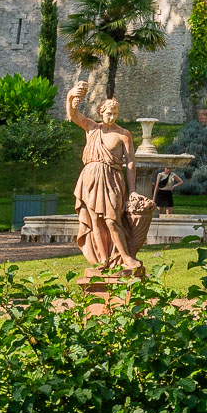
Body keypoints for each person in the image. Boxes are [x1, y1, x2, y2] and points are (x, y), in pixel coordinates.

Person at [66, 81, 146, 271]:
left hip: (112, 179)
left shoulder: (123, 134)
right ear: (101, 112)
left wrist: (132, 190)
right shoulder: (92, 128)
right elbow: (72, 114)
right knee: (95, 220)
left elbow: (131, 163)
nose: (111, 117)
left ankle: (126, 257)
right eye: (108, 113)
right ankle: (103, 260)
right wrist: (71, 95)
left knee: (111, 219)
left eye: (115, 114)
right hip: (90, 178)